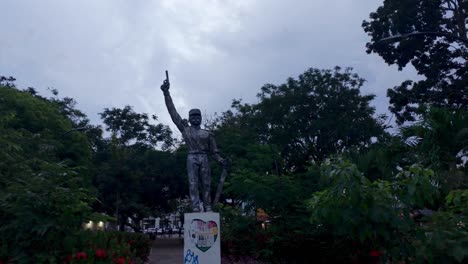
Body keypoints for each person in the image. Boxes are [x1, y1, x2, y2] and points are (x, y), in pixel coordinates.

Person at [160, 77, 227, 212]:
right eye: (193, 116)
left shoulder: (207, 134)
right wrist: (166, 94)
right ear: (189, 119)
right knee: (193, 183)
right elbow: (173, 113)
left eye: (198, 116)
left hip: (204, 157)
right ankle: (196, 206)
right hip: (191, 157)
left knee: (206, 183)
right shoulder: (185, 129)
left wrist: (221, 161)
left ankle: (208, 206)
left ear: (201, 118)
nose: (195, 118)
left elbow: (214, 152)